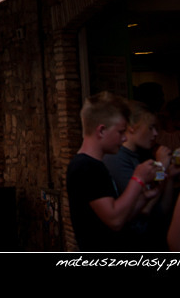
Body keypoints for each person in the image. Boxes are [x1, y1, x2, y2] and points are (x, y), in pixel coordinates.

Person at [66, 92, 159, 251]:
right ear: (101, 131)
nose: (124, 138)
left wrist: (143, 198)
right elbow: (114, 220)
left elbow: (121, 216)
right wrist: (138, 179)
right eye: (120, 132)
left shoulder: (96, 165)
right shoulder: (86, 167)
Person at [103, 100, 180, 249]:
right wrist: (161, 168)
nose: (156, 134)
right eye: (151, 128)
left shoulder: (139, 155)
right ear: (132, 127)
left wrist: (168, 176)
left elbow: (161, 209)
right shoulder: (117, 159)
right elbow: (143, 209)